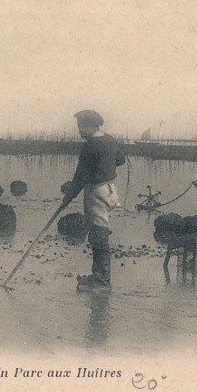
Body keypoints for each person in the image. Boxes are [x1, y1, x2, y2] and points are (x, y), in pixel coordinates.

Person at [61, 110, 127, 291]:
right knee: (100, 232)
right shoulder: (110, 140)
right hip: (110, 190)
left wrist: (68, 198)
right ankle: (98, 276)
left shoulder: (90, 145)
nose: (79, 130)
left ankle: (102, 281)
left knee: (98, 235)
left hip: (96, 192)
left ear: (90, 126)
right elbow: (120, 160)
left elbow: (80, 176)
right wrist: (106, 167)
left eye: (80, 127)